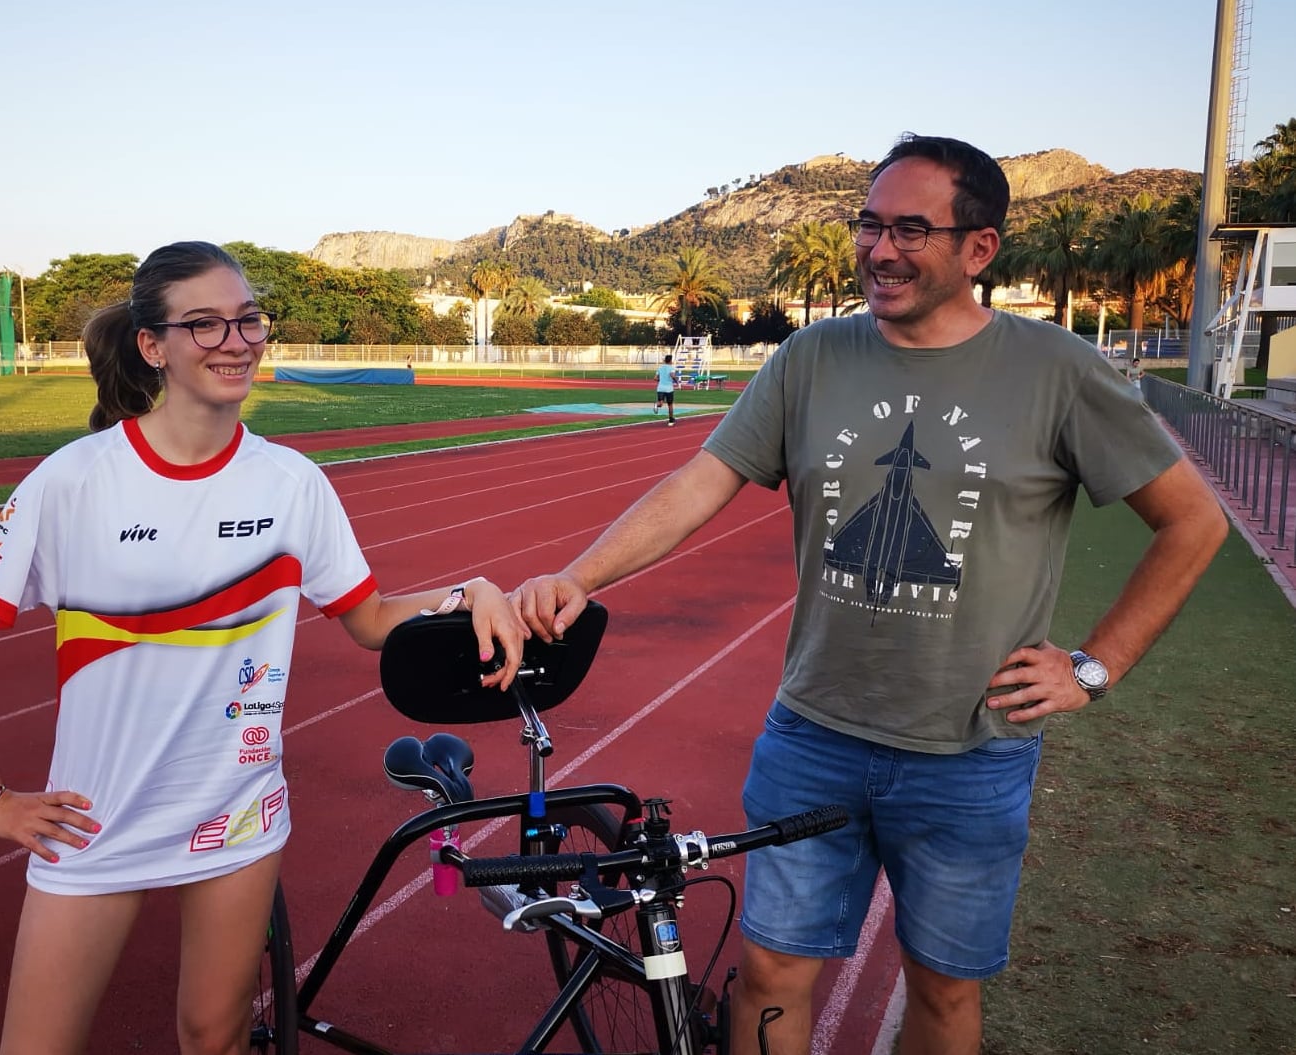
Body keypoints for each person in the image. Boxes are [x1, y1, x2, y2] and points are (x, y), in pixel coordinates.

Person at [509, 135, 1226, 1055]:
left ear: (979, 248)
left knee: (942, 995)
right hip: (814, 736)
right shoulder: (810, 358)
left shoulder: (1056, 370)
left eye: (912, 230)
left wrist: (1094, 665)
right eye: (870, 224)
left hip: (970, 753)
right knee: (769, 976)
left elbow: (1192, 521)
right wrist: (577, 577)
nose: (880, 250)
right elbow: (701, 482)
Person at [0, 240, 524, 1055]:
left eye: (247, 320)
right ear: (152, 345)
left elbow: (371, 616)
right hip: (98, 821)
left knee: (215, 1036)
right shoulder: (76, 480)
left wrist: (469, 591)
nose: (235, 340)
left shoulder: (291, 482)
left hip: (237, 812)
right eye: (204, 324)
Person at [654, 353, 677, 425]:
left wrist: (661, 380)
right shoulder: (671, 368)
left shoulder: (660, 368)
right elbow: (672, 375)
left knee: (661, 403)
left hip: (660, 388)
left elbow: (655, 378)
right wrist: (676, 380)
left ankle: (656, 405)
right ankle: (671, 420)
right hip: (669, 389)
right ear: (670, 361)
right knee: (670, 404)